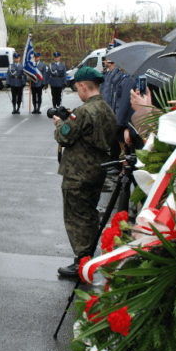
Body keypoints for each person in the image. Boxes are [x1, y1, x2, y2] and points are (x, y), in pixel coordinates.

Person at [53, 66, 118, 277]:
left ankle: (81, 261)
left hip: (77, 174)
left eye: (77, 88)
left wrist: (59, 123)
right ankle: (88, 257)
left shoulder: (83, 112)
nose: (78, 92)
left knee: (75, 217)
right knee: (90, 214)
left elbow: (64, 136)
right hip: (97, 172)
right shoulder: (107, 110)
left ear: (83, 86)